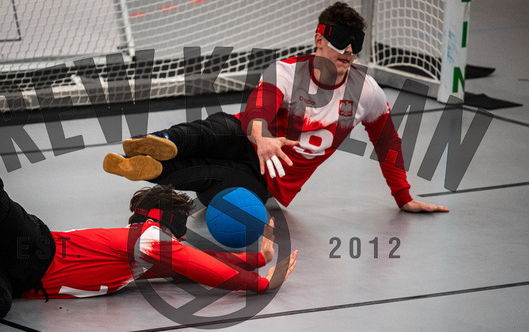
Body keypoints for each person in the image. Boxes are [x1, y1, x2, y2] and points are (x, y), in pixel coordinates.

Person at [0, 77, 298, 320]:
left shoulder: (142, 257)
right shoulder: (148, 242)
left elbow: (190, 267)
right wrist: (261, 282)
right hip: (28, 247)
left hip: (9, 273)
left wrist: (252, 258)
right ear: (167, 223)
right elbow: (195, 265)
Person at [103, 1, 449, 213]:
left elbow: (387, 143)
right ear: (319, 39)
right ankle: (160, 140)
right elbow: (258, 110)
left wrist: (403, 196)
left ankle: (148, 169)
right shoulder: (286, 72)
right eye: (340, 42)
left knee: (208, 174)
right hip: (247, 139)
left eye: (354, 45)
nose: (347, 51)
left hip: (267, 179)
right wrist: (262, 137)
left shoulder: (366, 91)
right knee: (218, 130)